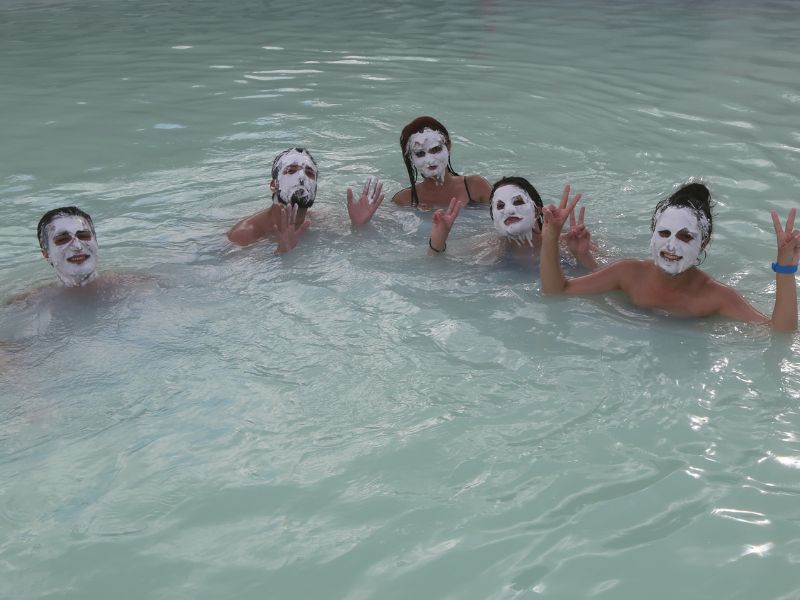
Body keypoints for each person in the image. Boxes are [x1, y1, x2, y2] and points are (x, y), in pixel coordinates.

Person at [540, 182, 800, 331]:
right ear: (653, 235)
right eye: (664, 233)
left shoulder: (715, 296)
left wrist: (785, 270)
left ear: (703, 243)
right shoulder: (627, 274)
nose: (671, 246)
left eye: (686, 237)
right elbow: (556, 291)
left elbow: (778, 332)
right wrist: (551, 236)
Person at [227, 147, 383, 253]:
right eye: (291, 171)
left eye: (309, 173)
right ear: (274, 185)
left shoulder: (323, 220)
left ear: (315, 189)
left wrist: (359, 226)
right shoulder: (244, 235)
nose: (301, 177)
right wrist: (281, 253)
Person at [427, 176, 598, 270]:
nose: (508, 210)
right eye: (500, 206)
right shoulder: (489, 247)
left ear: (538, 210)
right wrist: (438, 241)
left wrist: (583, 256)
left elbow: (607, 279)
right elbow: (435, 265)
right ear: (494, 219)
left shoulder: (570, 243)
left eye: (517, 202)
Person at [392, 116, 492, 208]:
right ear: (411, 158)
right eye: (420, 154)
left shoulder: (476, 187)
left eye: (435, 149)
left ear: (448, 147)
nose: (430, 160)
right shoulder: (404, 200)